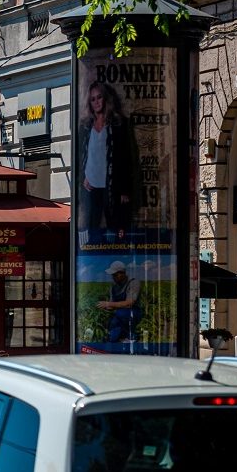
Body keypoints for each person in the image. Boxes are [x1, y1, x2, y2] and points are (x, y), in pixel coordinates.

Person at [77, 81, 141, 238]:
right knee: (91, 229)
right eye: (93, 99)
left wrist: (125, 189)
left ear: (105, 99)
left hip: (113, 185)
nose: (96, 102)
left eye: (99, 97)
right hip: (91, 187)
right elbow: (81, 155)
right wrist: (82, 178)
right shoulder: (85, 126)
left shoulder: (118, 124)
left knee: (116, 228)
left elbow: (127, 157)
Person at [96, 260, 142, 343]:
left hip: (133, 312)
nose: (113, 277)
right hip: (119, 313)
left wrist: (109, 304)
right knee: (113, 328)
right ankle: (118, 338)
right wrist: (104, 307)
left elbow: (130, 303)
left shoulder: (133, 283)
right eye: (113, 275)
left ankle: (132, 336)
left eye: (115, 275)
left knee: (119, 315)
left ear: (122, 273)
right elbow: (112, 304)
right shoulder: (113, 287)